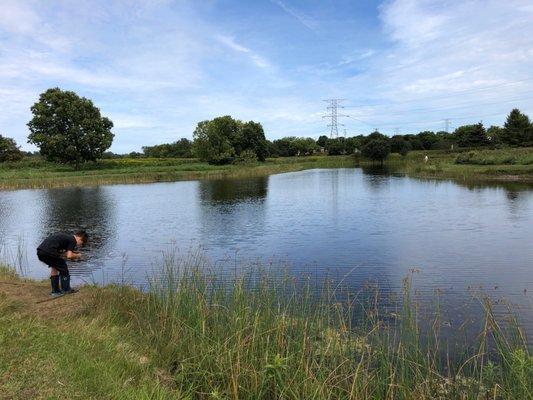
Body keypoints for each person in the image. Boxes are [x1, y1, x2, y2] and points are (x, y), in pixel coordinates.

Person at [37, 231, 88, 296]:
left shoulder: (66, 238)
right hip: (49, 252)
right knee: (64, 268)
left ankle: (55, 292)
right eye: (81, 243)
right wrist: (78, 255)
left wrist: (73, 254)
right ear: (80, 238)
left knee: (55, 267)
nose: (79, 245)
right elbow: (69, 256)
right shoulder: (73, 240)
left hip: (40, 252)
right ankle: (66, 290)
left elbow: (64, 254)